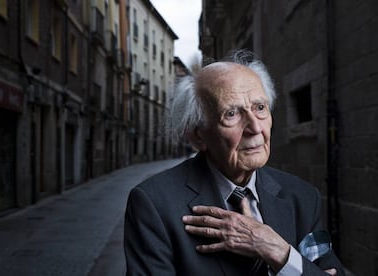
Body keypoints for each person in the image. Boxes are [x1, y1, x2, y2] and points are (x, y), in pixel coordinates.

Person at [124, 50, 345, 275]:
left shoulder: (303, 198)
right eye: (231, 114)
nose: (255, 128)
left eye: (260, 108)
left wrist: (278, 251)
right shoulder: (154, 205)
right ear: (198, 136)